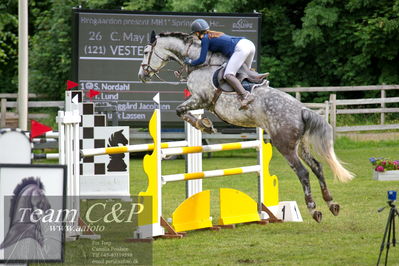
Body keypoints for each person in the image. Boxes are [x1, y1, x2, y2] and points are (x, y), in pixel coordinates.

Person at [184, 19, 267, 110]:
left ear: (197, 33)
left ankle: (246, 95)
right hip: (249, 44)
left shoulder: (205, 38)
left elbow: (201, 60)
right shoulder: (214, 34)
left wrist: (190, 62)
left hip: (241, 48)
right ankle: (256, 76)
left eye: (194, 34)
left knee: (228, 75)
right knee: (245, 71)